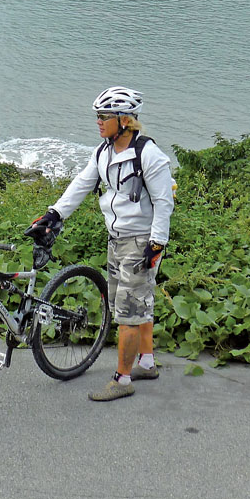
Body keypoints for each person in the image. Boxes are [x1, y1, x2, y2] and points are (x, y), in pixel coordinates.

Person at [31, 86, 174, 402]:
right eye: (98, 116)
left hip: (142, 242)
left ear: (124, 119)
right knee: (132, 303)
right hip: (117, 240)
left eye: (103, 116)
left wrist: (156, 245)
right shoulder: (104, 152)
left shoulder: (149, 155)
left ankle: (123, 379)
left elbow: (164, 203)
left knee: (128, 310)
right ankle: (146, 363)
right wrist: (53, 215)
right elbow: (80, 184)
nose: (98, 121)